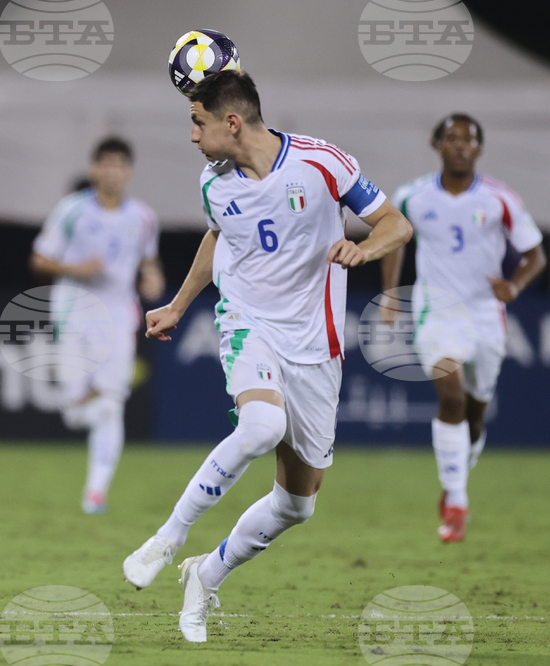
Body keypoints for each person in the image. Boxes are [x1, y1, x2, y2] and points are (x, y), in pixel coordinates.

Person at [121, 71, 412, 643]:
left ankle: (205, 575)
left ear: (231, 122)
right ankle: (167, 539)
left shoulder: (323, 163)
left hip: (317, 348)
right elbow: (218, 237)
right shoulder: (214, 183)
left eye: (197, 122)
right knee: (262, 424)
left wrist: (363, 246)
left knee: (298, 507)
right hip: (248, 325)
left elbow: (395, 224)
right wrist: (180, 305)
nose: (192, 136)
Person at [382, 114, 546, 543]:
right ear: (436, 144)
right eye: (451, 138)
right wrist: (389, 294)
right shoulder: (413, 195)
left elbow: (536, 256)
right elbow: (391, 238)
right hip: (436, 310)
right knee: (450, 395)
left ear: (479, 148)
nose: (459, 146)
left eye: (468, 140)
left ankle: (459, 470)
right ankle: (456, 501)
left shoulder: (498, 199)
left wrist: (514, 285)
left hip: (486, 315)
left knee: (475, 413)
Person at [30, 137, 165, 515]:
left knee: (112, 403)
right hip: (74, 313)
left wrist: (152, 279)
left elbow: (150, 261)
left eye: (119, 164)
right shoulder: (71, 210)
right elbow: (39, 259)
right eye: (104, 163)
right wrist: (76, 269)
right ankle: (87, 413)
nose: (112, 171)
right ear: (93, 169)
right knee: (75, 413)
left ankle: (96, 493)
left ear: (129, 170)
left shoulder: (142, 217)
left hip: (119, 317)